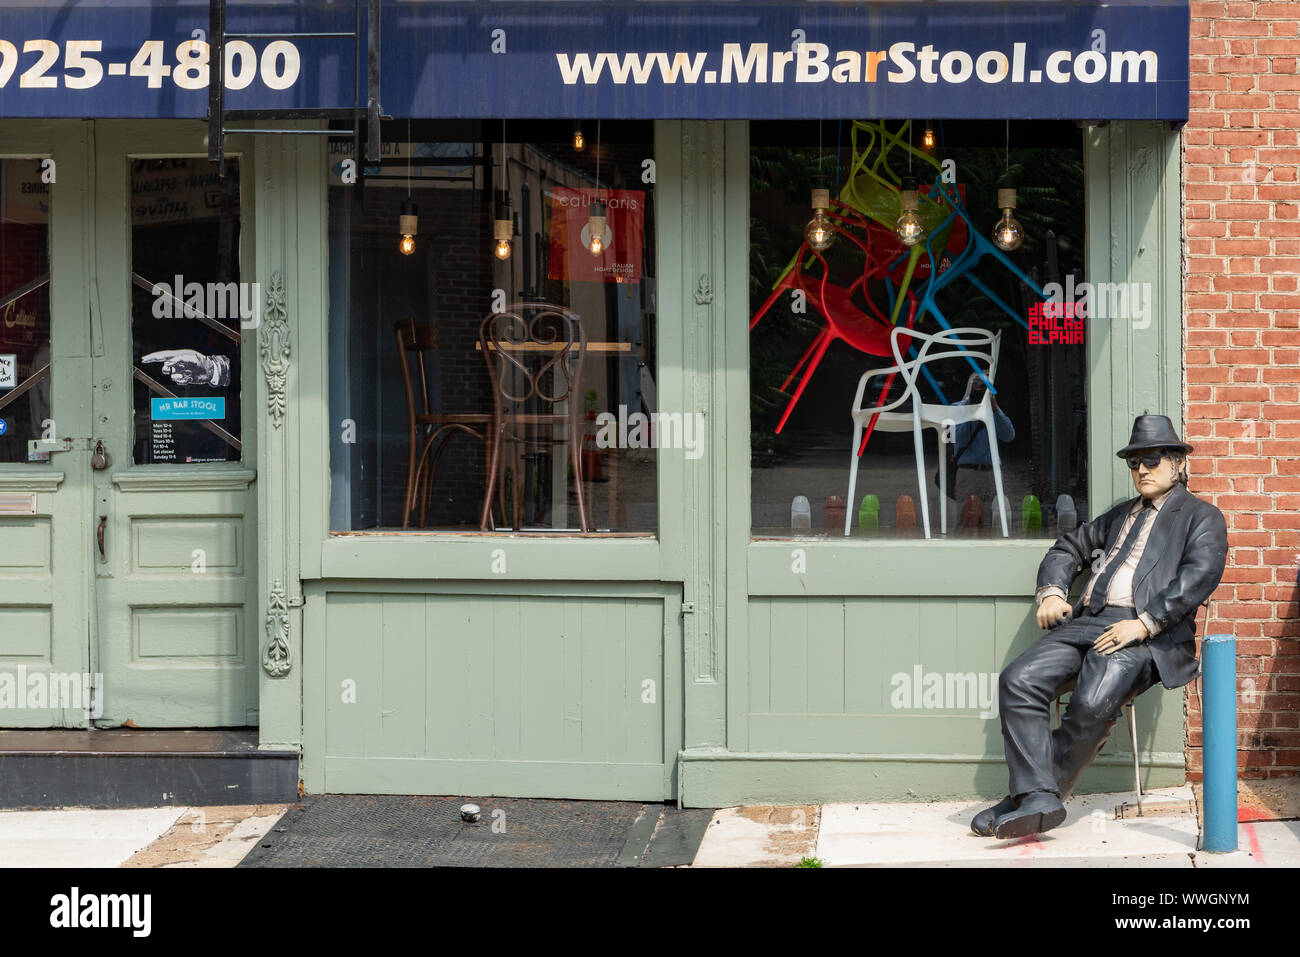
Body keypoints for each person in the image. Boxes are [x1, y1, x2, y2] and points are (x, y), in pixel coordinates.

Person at [971, 414, 1228, 839]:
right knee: (1018, 680)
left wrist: (1145, 624)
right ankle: (1036, 795)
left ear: (1179, 463)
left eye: (1153, 460)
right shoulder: (1119, 515)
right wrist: (1052, 590)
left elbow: (1198, 577)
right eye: (1134, 463)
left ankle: (1030, 796)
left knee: (1091, 703)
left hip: (1146, 632)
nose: (1142, 470)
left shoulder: (1202, 517)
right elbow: (1068, 546)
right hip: (1088, 621)